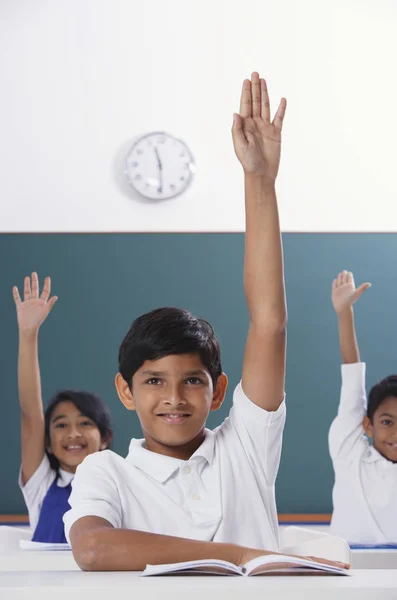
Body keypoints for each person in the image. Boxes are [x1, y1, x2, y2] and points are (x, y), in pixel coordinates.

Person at [64, 72, 346, 571]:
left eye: (192, 381)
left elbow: (269, 324)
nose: (173, 397)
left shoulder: (245, 448)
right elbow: (93, 549)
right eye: (153, 381)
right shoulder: (104, 472)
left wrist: (259, 180)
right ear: (126, 391)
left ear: (217, 392)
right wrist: (239, 555)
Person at [13, 273, 113, 543]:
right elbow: (30, 413)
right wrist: (28, 334)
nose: (73, 434)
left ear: (104, 438)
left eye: (85, 423)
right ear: (47, 442)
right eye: (60, 425)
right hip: (44, 586)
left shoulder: (118, 484)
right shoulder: (42, 485)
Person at [329, 270, 397, 543]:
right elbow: (352, 379)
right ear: (368, 425)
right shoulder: (351, 456)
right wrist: (345, 313)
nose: (395, 433)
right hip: (348, 575)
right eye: (387, 422)